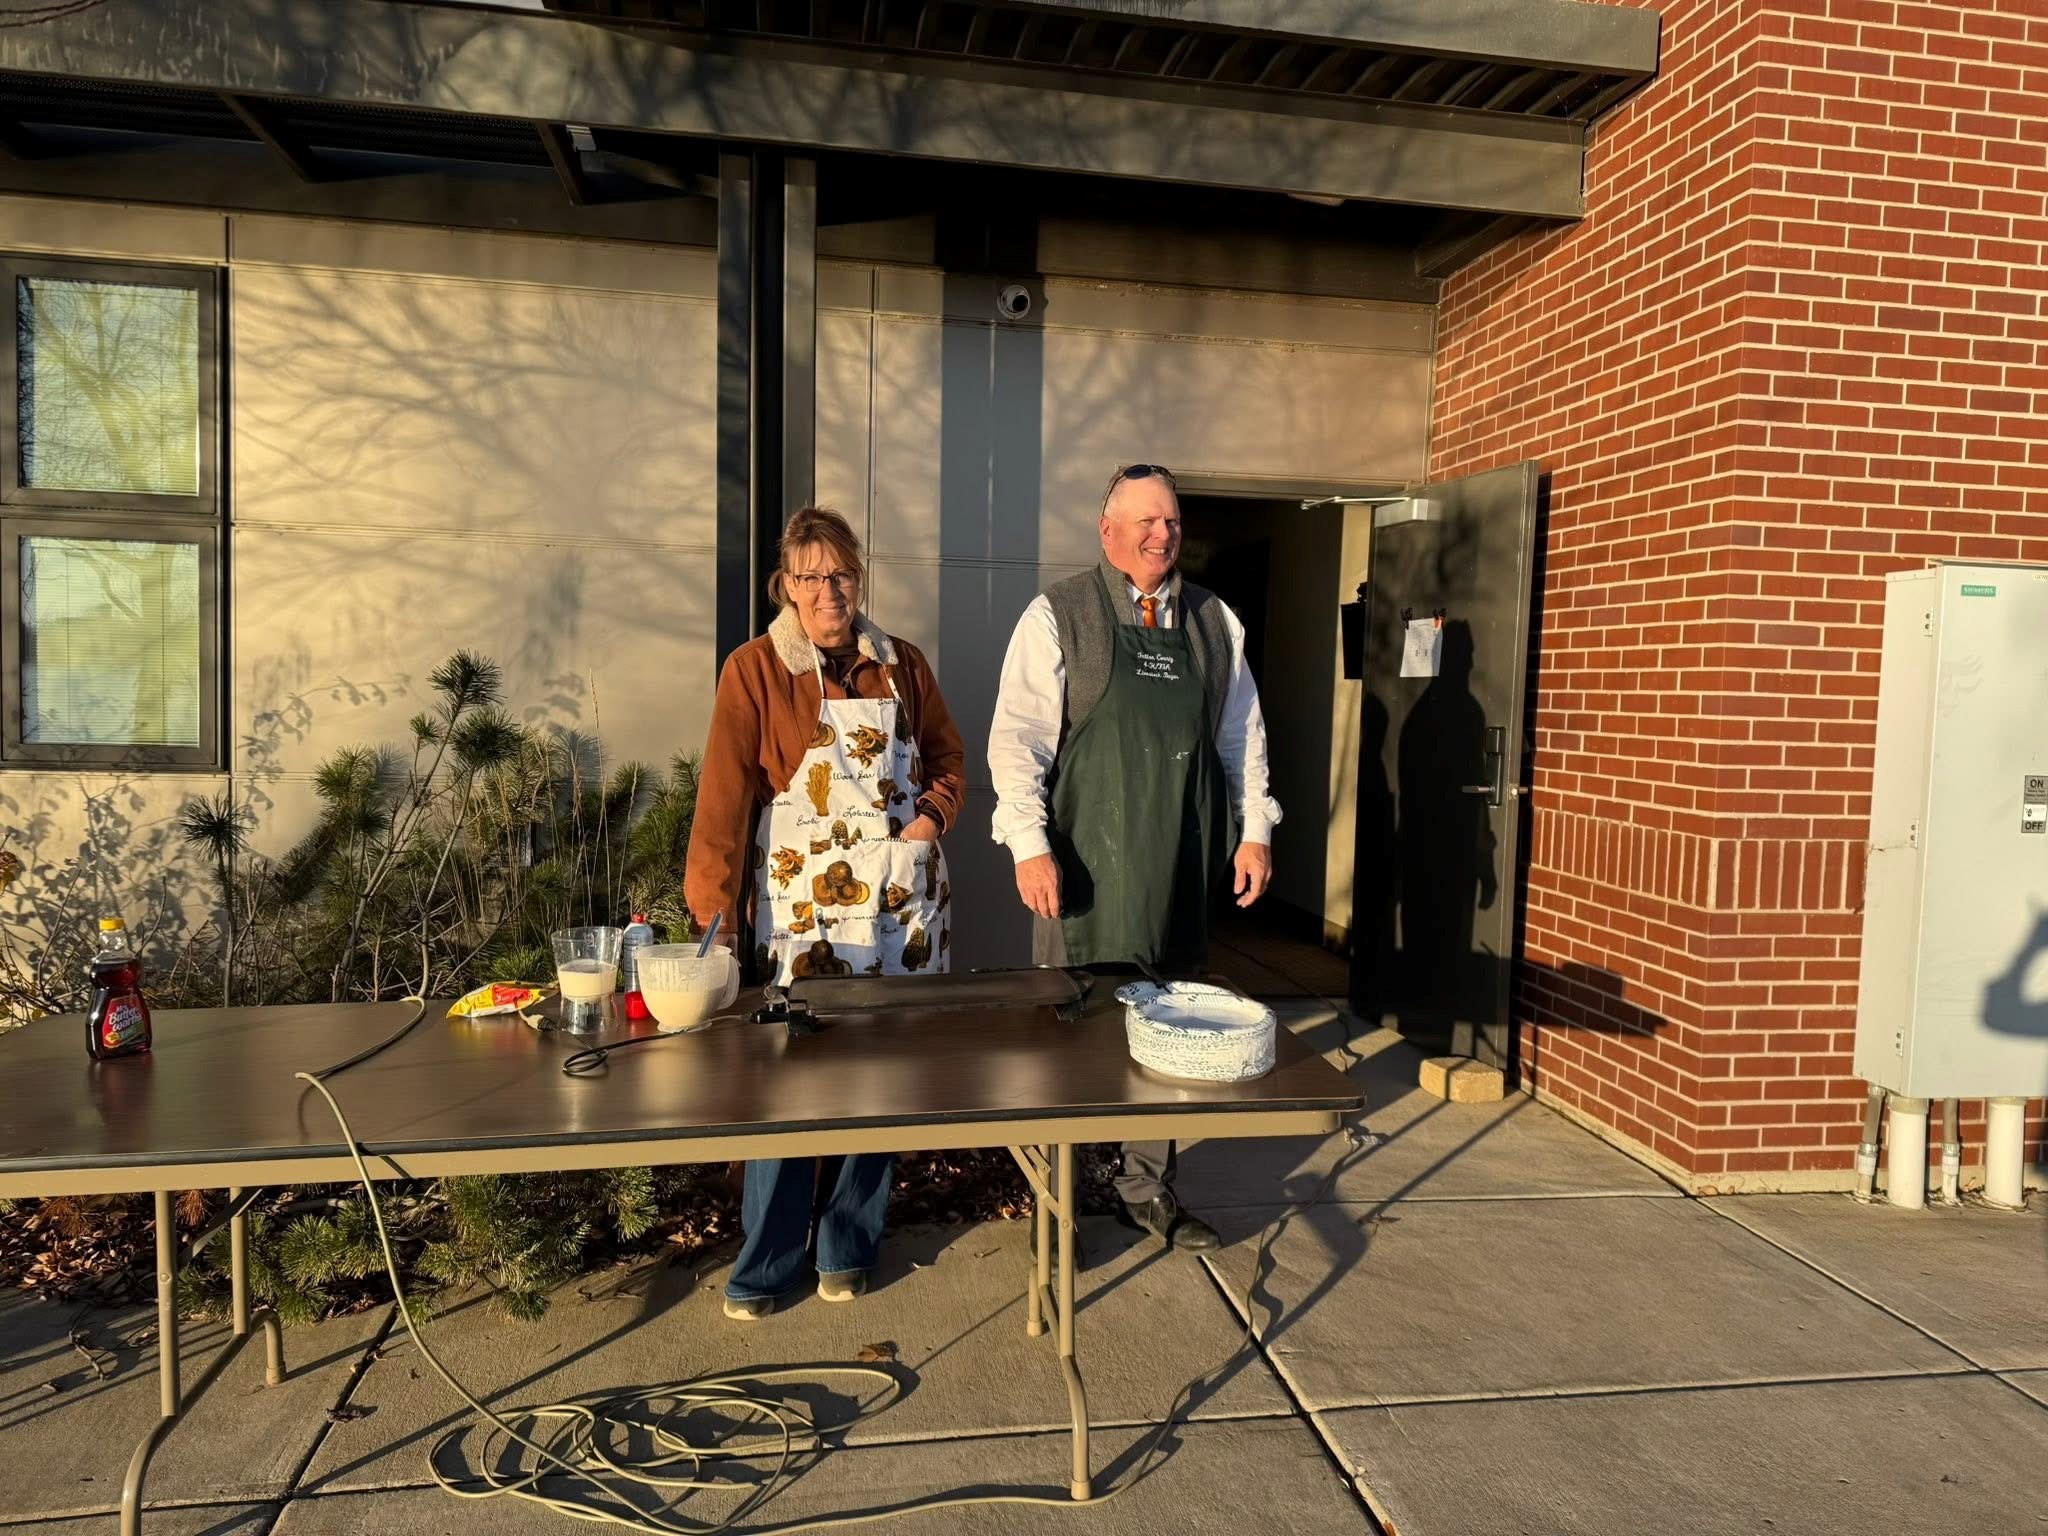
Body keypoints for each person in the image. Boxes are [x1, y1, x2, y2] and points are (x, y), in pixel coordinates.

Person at [987, 462, 1281, 1253]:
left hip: (1176, 869)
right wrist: (1028, 845)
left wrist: (1256, 829)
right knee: (1068, 1040)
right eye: (1146, 521)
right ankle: (1057, 1208)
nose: (1163, 534)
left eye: (1173, 522)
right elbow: (1017, 740)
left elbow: (1240, 736)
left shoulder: (1216, 622)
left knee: (1171, 1036)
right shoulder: (1060, 615)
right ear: (1107, 530)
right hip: (1079, 872)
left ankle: (1146, 1190)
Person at [687, 506, 965, 1319]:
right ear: (786, 585)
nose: (827, 590)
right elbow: (724, 798)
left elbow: (947, 756)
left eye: (840, 573)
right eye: (809, 576)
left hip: (897, 904)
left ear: (859, 577)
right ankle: (768, 1261)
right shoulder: (754, 670)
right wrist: (714, 916)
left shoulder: (901, 664)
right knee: (786, 1081)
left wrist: (929, 820)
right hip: (802, 912)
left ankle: (850, 1242)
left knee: (880, 1079)